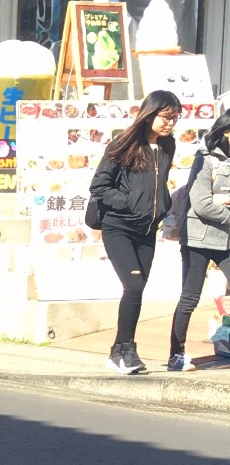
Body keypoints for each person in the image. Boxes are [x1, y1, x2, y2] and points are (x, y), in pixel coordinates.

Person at [87, 89, 180, 375]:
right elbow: (99, 186)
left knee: (137, 292)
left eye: (175, 118)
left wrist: (163, 208)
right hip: (119, 227)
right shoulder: (124, 143)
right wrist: (128, 204)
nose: (170, 123)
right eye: (165, 117)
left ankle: (118, 351)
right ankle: (127, 348)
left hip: (147, 230)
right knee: (134, 286)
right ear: (150, 113)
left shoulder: (168, 146)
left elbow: (159, 185)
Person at [168, 112, 230, 371]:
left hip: (226, 237)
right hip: (198, 238)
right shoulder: (205, 158)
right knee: (190, 297)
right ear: (227, 132)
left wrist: (223, 200)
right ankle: (176, 355)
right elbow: (203, 204)